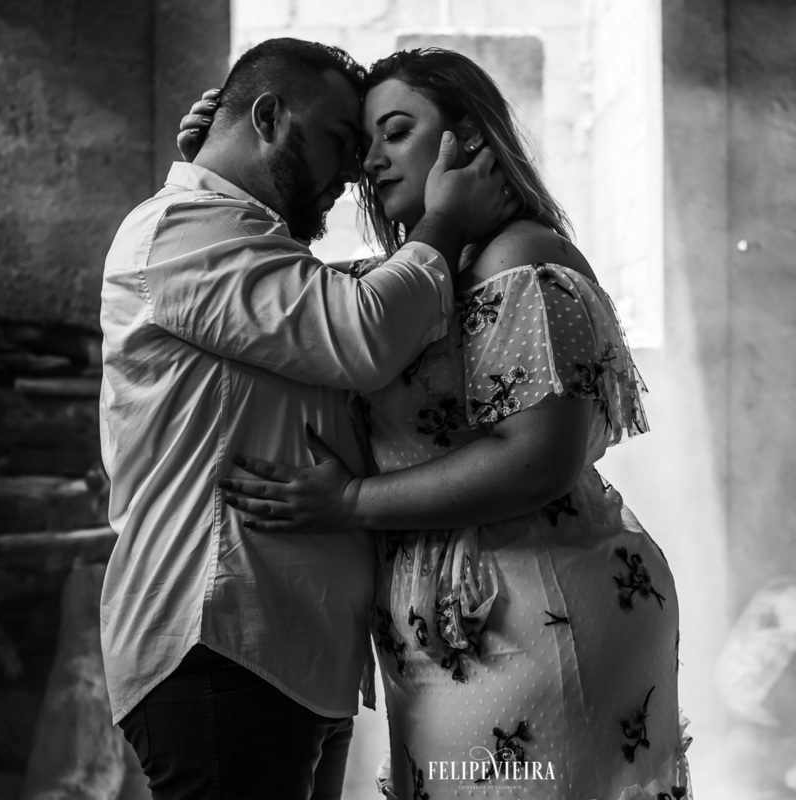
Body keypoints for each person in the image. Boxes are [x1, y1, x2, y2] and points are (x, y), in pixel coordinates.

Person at [183, 48, 687, 800]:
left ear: (468, 141)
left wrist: (350, 502)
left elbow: (540, 458)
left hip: (537, 611)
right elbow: (287, 304)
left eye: (395, 132)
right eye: (362, 143)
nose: (368, 163)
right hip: (461, 632)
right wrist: (221, 165)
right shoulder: (423, 273)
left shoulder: (518, 257)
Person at [101, 39, 514, 800]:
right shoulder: (183, 230)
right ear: (267, 118)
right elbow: (363, 332)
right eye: (342, 140)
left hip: (285, 645)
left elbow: (330, 308)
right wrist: (446, 223)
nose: (357, 172)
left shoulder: (238, 238)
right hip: (223, 636)